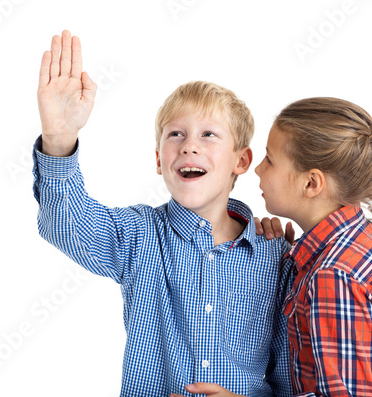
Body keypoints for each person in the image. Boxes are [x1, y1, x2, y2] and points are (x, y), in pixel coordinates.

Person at [33, 30, 293, 396]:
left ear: (241, 160)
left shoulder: (276, 254)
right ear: (159, 160)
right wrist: (58, 139)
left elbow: (289, 376)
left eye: (208, 135)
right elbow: (66, 223)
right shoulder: (140, 235)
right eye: (175, 135)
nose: (189, 147)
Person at [254, 97, 372, 396]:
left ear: (311, 184)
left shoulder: (333, 277)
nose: (257, 169)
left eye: (269, 159)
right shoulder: (354, 238)